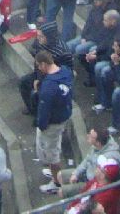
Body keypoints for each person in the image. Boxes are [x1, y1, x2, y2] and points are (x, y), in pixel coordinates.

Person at [34, 49, 74, 187]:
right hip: (65, 114)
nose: (39, 68)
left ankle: (56, 182)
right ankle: (54, 174)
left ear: (44, 64)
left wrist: (41, 124)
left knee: (52, 154)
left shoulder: (48, 85)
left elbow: (44, 109)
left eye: (39, 65)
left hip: (52, 122)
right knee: (53, 146)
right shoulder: (66, 71)